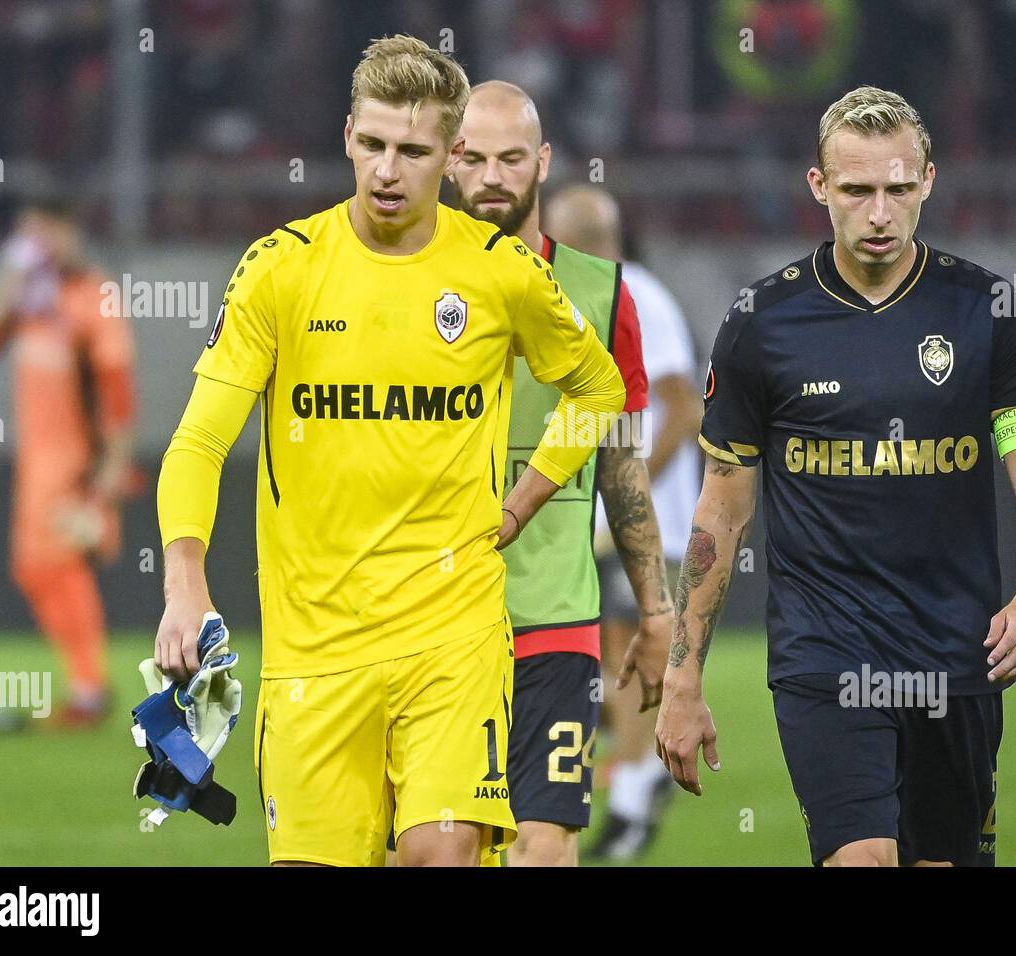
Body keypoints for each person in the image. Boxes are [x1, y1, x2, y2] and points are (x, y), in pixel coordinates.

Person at [154, 36, 625, 868]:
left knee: (439, 855)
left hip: (452, 635)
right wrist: (185, 582)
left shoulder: (499, 271)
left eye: (412, 151)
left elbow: (600, 387)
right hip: (312, 653)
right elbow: (199, 438)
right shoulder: (279, 271)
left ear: (448, 158)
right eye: (372, 144)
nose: (386, 170)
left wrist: (522, 501)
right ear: (346, 137)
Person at [654, 86, 1016, 867]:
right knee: (863, 860)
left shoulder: (987, 310)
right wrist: (684, 675)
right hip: (826, 651)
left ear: (927, 183)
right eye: (856, 190)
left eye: (896, 189)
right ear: (819, 188)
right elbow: (722, 508)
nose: (878, 213)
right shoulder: (761, 322)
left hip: (958, 650)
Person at [449, 82, 671, 867]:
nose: (492, 178)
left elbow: (622, 461)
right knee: (445, 845)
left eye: (512, 158)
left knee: (544, 844)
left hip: (557, 614)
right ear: (448, 161)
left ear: (542, 162)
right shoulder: (403, 285)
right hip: (433, 619)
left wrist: (655, 609)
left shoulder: (605, 295)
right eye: (473, 159)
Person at [542, 186, 703, 862]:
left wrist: (624, 500)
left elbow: (684, 410)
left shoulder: (634, 295)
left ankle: (634, 800)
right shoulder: (590, 296)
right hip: (603, 519)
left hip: (646, 524)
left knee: (630, 659)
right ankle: (635, 786)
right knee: (609, 663)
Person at [0, 197, 138, 729]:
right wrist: (10, 279)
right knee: (35, 569)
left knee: (61, 564)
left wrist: (115, 461)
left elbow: (116, 389)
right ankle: (86, 686)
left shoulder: (94, 297)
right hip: (35, 464)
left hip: (75, 463)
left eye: (44, 233)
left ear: (68, 232)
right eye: (28, 238)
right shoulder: (31, 301)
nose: (37, 246)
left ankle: (88, 689)